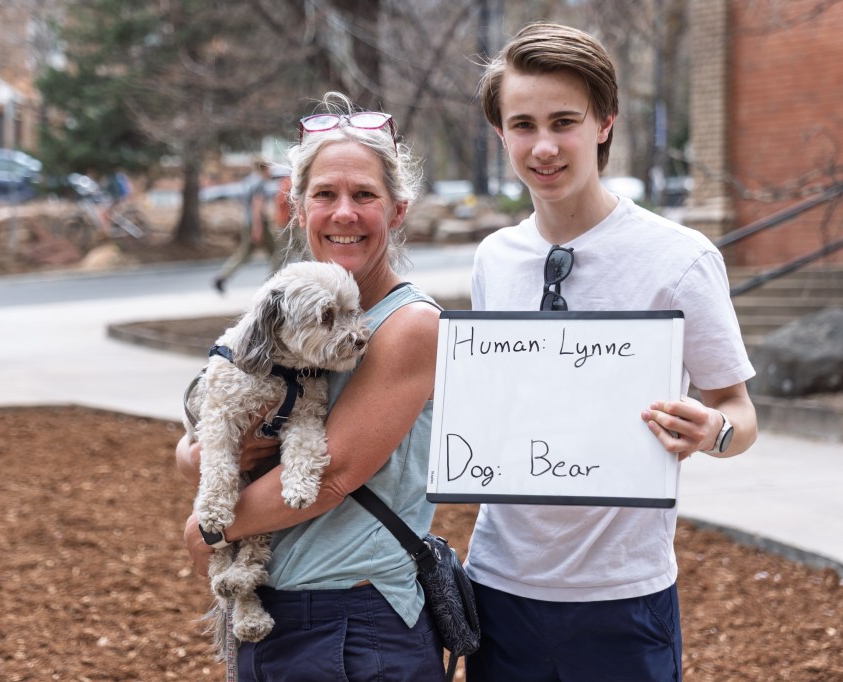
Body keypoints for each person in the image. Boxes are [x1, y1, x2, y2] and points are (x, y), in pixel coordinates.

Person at [465, 22, 759, 681]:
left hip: (623, 598)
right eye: (522, 124)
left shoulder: (679, 260)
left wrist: (712, 433)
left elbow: (740, 413)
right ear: (500, 133)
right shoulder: (493, 259)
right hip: (498, 588)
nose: (542, 146)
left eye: (564, 121)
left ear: (605, 123)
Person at [178, 92, 445, 681]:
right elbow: (202, 434)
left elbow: (333, 476)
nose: (343, 213)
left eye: (365, 195)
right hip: (286, 614)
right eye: (324, 194)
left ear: (397, 210)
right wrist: (199, 450)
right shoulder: (285, 313)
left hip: (352, 622)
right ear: (297, 208)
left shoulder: (409, 326)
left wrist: (212, 526)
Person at [212, 155, 285, 294]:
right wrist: (258, 228)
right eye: (270, 168)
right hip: (257, 223)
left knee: (247, 253)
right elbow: (256, 206)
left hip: (247, 222)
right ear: (264, 168)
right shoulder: (259, 183)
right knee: (277, 251)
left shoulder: (249, 181)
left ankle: (223, 276)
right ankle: (272, 283)